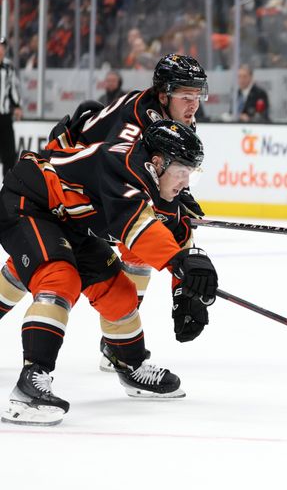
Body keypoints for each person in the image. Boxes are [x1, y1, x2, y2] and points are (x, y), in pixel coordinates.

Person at [0, 120, 219, 425]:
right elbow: (139, 230)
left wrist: (187, 290)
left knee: (118, 290)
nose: (186, 182)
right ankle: (30, 382)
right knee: (59, 277)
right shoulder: (125, 166)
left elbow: (176, 236)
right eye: (183, 172)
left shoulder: (155, 182)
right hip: (29, 200)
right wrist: (179, 260)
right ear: (158, 162)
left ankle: (130, 365)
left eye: (191, 173)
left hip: (67, 221)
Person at [0, 53, 209, 368]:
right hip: (61, 178)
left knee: (41, 257)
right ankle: (113, 344)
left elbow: (167, 170)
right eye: (186, 95)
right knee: (60, 264)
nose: (194, 104)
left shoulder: (177, 120)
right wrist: (179, 259)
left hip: (84, 189)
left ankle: (120, 344)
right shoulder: (135, 125)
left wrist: (181, 196)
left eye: (198, 95)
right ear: (164, 94)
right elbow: (119, 176)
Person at [0, 37, 22, 178]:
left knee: (9, 156)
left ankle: (7, 189)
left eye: (2, 47)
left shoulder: (9, 69)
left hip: (4, 117)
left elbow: (13, 89)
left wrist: (17, 105)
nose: (0, 50)